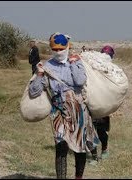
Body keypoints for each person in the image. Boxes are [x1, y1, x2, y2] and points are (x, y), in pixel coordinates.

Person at [28, 33, 99, 179]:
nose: (58, 52)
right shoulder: (47, 66)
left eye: (61, 49)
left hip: (78, 110)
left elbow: (80, 81)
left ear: (67, 47)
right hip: (58, 110)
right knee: (60, 146)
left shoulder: (76, 62)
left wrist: (73, 63)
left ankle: (78, 177)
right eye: (55, 49)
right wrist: (40, 75)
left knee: (80, 147)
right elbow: (34, 92)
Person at [88, 45, 115, 165]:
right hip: (92, 103)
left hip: (103, 105)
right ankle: (94, 156)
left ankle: (104, 149)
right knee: (90, 131)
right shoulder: (94, 66)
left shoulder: (112, 70)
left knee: (101, 131)